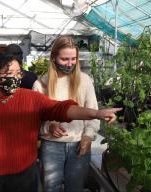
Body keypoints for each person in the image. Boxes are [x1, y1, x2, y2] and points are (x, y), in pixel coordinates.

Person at [0, 52, 122, 192]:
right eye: (9, 74)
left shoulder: (31, 98)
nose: (15, 78)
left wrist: (96, 113)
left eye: (18, 73)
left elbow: (61, 109)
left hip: (24, 173)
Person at [32, 35, 99, 192]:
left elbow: (93, 112)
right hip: (51, 146)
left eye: (73, 59)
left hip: (79, 143)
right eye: (64, 59)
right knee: (50, 188)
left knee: (75, 188)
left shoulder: (84, 81)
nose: (70, 64)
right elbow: (35, 120)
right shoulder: (41, 84)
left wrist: (88, 136)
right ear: (54, 57)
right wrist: (49, 126)